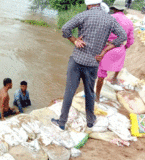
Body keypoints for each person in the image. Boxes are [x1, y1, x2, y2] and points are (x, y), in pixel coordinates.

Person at [51, 0, 127, 131]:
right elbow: (122, 36)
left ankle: (62, 122)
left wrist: (74, 40)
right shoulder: (109, 19)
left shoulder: (83, 15)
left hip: (77, 60)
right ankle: (90, 121)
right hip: (93, 63)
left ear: (89, 4)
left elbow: (65, 28)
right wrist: (104, 51)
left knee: (69, 92)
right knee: (90, 92)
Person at [95, 0, 134, 102]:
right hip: (120, 48)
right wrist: (124, 47)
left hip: (107, 47)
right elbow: (130, 40)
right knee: (120, 61)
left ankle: (97, 97)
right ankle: (114, 78)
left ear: (114, 9)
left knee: (101, 74)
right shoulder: (129, 22)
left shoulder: (110, 18)